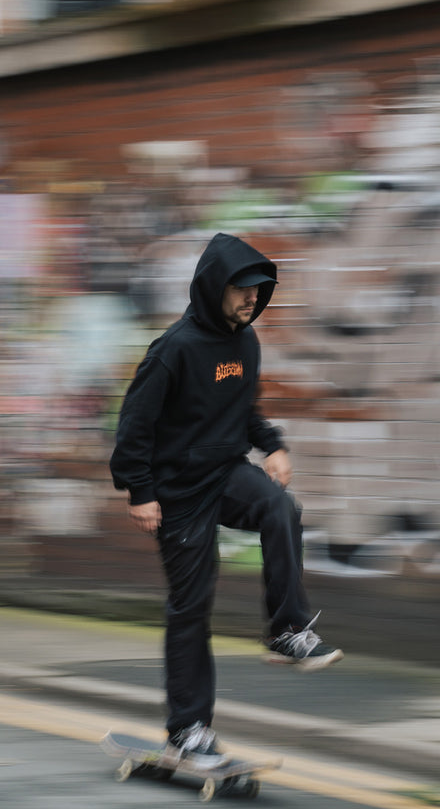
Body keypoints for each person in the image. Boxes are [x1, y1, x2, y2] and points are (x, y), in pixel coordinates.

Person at [109, 232, 342, 770]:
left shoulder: (246, 343)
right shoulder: (173, 350)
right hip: (177, 494)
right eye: (241, 290)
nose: (251, 300)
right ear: (215, 286)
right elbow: (134, 429)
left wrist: (273, 443)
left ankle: (288, 629)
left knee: (281, 508)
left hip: (226, 473)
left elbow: (243, 409)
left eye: (259, 293)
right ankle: (188, 729)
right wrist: (139, 492)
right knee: (192, 607)